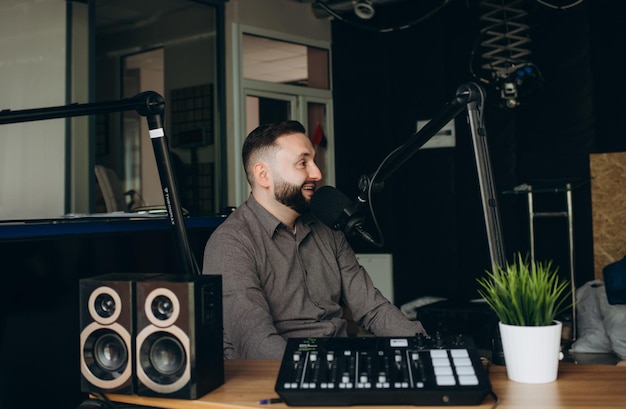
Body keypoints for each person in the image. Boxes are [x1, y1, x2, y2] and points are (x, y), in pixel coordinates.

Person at [203, 120, 427, 359]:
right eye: (302, 163)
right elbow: (256, 343)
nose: (317, 174)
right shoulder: (231, 243)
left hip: (337, 361)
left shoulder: (327, 227)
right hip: (275, 375)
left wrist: (425, 346)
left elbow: (372, 308)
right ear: (263, 175)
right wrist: (320, 372)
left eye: (314, 161)